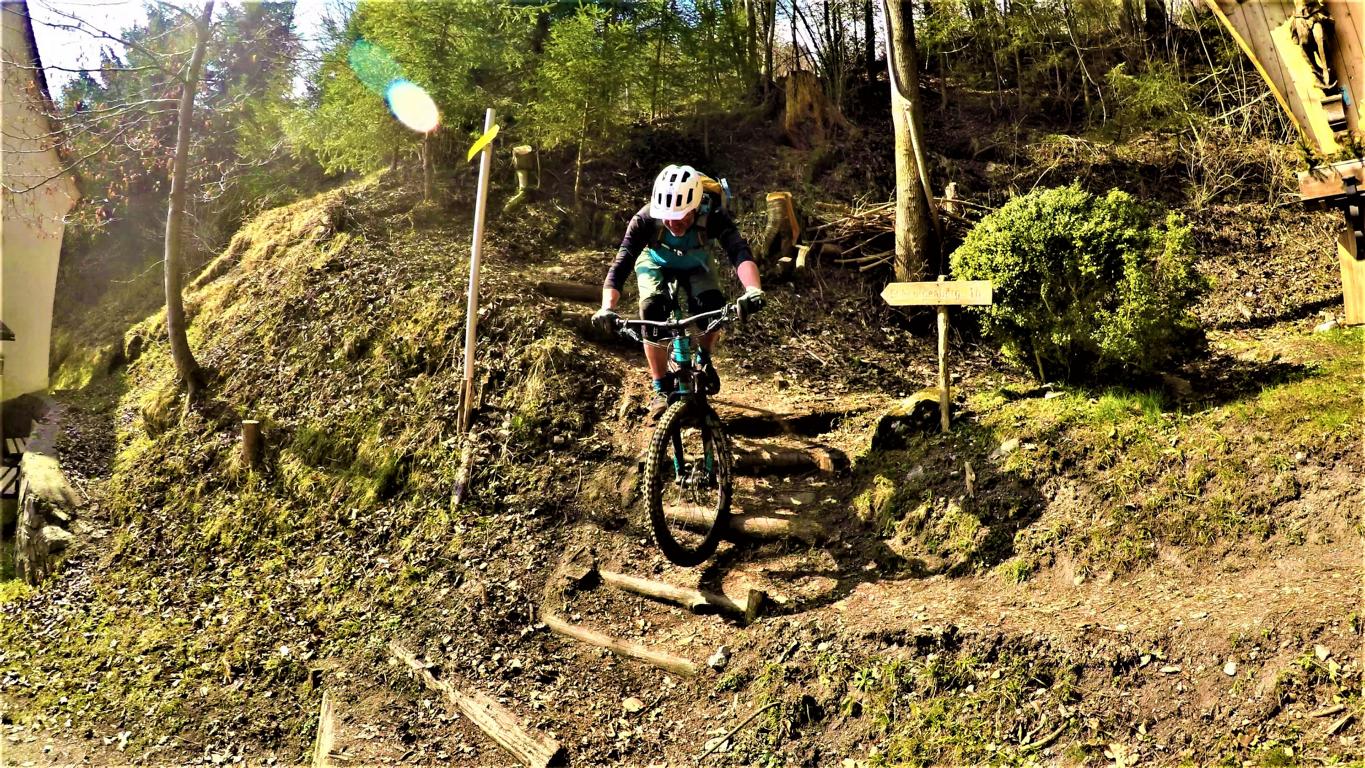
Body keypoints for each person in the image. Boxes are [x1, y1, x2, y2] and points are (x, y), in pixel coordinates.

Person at [593, 164, 765, 418]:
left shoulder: (713, 215)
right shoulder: (645, 219)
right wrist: (607, 307)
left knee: (713, 306)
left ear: (695, 207)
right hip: (655, 262)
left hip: (697, 263)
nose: (673, 223)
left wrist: (753, 289)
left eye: (681, 215)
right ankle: (661, 388)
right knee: (651, 311)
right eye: (667, 216)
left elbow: (739, 252)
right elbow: (622, 263)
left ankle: (704, 357)